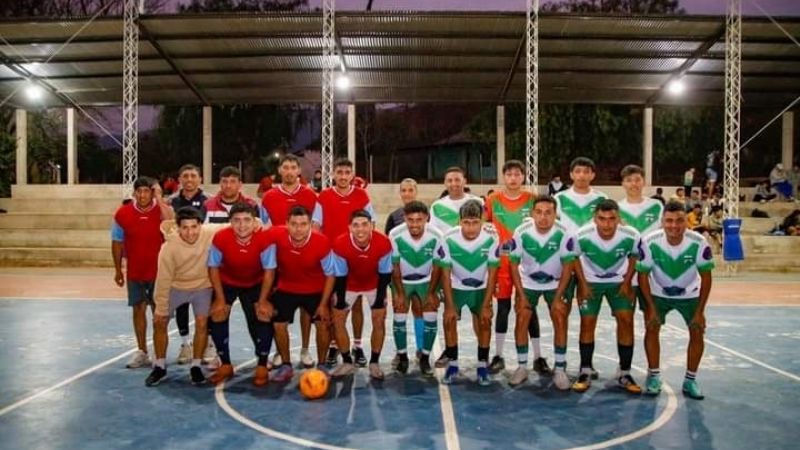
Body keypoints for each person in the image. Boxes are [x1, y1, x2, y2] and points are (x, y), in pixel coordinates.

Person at [638, 201, 714, 400]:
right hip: (658, 294)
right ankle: (654, 376)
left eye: (679, 220)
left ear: (686, 222)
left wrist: (700, 311)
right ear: (662, 222)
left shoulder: (698, 242)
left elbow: (706, 277)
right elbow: (643, 276)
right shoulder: (650, 241)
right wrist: (651, 307)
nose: (674, 225)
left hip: (690, 295)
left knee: (697, 331)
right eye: (669, 221)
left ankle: (690, 380)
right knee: (652, 327)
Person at [571, 199, 641, 394]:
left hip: (619, 282)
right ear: (595, 218)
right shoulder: (582, 235)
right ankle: (585, 370)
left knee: (626, 321)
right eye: (602, 219)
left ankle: (624, 372)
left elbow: (635, 256)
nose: (607, 224)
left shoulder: (632, 235)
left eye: (612, 219)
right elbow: (575, 258)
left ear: (619, 218)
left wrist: (627, 282)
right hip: (590, 281)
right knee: (587, 322)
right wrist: (583, 284)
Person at [259, 206, 335, 382]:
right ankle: (286, 365)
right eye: (293, 224)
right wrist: (263, 300)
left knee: (323, 323)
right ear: (286, 224)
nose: (298, 228)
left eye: (303, 224)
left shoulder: (321, 242)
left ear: (310, 225)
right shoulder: (276, 235)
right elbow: (256, 237)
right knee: (278, 324)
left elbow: (330, 275)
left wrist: (324, 304)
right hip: (287, 287)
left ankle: (322, 364)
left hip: (315, 289)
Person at [508, 196, 577, 389]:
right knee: (522, 319)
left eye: (548, 213)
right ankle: (522, 367)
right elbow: (513, 265)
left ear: (556, 214)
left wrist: (558, 296)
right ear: (532, 214)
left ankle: (560, 370)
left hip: (556, 283)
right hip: (528, 282)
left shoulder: (565, 233)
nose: (543, 217)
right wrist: (520, 293)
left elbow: (568, 266)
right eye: (539, 212)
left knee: (560, 318)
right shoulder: (521, 232)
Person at [484, 160, 545, 375]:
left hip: (525, 265)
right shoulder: (492, 200)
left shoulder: (532, 199)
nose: (513, 178)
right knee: (503, 309)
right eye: (509, 174)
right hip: (501, 266)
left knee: (529, 308)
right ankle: (498, 355)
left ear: (523, 177)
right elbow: (483, 225)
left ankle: (538, 357)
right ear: (503, 177)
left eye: (517, 174)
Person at [261, 154, 322, 368]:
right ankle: (280, 351)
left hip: (306, 261)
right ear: (279, 171)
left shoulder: (311, 195)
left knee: (307, 309)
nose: (288, 171)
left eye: (293, 167)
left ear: (299, 171)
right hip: (277, 262)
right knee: (279, 312)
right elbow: (265, 229)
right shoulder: (268, 197)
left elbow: (316, 227)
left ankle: (305, 350)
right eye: (285, 167)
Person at [314, 158, 376, 367]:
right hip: (333, 260)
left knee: (357, 305)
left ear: (352, 174)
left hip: (356, 258)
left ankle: (357, 346)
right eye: (339, 172)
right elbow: (316, 226)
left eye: (346, 172)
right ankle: (334, 345)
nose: (342, 176)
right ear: (332, 174)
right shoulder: (324, 196)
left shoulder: (362, 195)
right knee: (335, 306)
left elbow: (371, 224)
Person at [205, 203, 274, 386]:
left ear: (254, 222)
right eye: (236, 220)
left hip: (255, 282)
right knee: (217, 313)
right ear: (230, 222)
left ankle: (261, 364)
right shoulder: (220, 237)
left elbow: (269, 271)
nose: (242, 225)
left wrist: (263, 300)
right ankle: (225, 364)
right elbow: (212, 268)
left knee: (263, 314)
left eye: (246, 220)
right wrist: (220, 299)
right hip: (228, 281)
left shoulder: (265, 239)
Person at [147, 207, 216, 386]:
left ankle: (195, 366)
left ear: (201, 225)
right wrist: (161, 309)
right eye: (185, 228)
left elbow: (230, 226)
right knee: (159, 322)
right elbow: (162, 281)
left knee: (202, 323)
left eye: (194, 227)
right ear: (178, 228)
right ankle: (160, 366)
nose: (190, 232)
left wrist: (256, 222)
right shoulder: (169, 248)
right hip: (175, 287)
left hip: (202, 286)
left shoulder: (209, 233)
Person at [112, 177, 172, 369]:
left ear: (152, 193)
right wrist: (117, 270)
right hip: (135, 271)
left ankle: (159, 354)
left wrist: (160, 198)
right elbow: (117, 242)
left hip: (159, 272)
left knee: (158, 313)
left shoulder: (163, 211)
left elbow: (171, 224)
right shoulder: (123, 213)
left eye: (147, 191)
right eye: (139, 191)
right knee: (138, 309)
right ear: (134, 193)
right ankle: (141, 351)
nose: (143, 195)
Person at [437, 200, 499, 386]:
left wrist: (487, 304)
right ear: (459, 221)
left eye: (475, 223)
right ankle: (453, 365)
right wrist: (449, 306)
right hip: (456, 287)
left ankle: (482, 366)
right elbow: (445, 275)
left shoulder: (492, 238)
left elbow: (493, 273)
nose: (470, 228)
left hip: (481, 288)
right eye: (466, 223)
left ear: (482, 221)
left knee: (485, 322)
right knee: (448, 321)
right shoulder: (447, 238)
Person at [330, 211, 393, 380]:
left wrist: (380, 300)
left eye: (365, 224)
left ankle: (374, 362)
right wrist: (341, 300)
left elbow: (385, 275)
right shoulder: (340, 243)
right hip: (349, 284)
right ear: (349, 227)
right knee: (337, 319)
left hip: (374, 284)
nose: (360, 229)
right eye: (356, 225)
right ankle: (347, 361)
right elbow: (340, 276)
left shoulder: (384, 243)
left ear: (371, 225)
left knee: (379, 319)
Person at [389, 201, 443, 376]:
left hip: (427, 279)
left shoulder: (436, 235)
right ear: (404, 218)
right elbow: (395, 266)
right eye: (410, 220)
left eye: (419, 220)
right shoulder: (395, 234)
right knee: (400, 312)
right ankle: (403, 356)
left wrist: (431, 293)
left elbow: (437, 267)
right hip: (401, 280)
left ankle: (425, 357)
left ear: (427, 218)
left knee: (430, 312)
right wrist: (399, 294)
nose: (414, 224)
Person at [168, 164, 209, 365]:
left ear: (200, 179)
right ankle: (185, 344)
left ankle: (207, 343)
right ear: (180, 179)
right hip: (181, 263)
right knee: (182, 305)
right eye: (186, 176)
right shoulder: (172, 202)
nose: (190, 179)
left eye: (193, 176)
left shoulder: (208, 202)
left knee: (204, 307)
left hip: (203, 261)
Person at [383, 178, 428, 364]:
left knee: (419, 310)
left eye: (411, 190)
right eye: (404, 190)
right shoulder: (393, 217)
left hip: (422, 275)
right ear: (400, 193)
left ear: (416, 191)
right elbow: (387, 249)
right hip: (399, 276)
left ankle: (420, 348)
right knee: (400, 311)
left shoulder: (426, 215)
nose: (407, 193)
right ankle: (399, 351)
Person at [429, 166, 483, 234]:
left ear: (464, 181)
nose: (453, 184)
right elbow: (433, 231)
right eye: (450, 180)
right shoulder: (436, 206)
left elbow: (484, 227)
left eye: (457, 180)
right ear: (445, 183)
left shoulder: (479, 202)